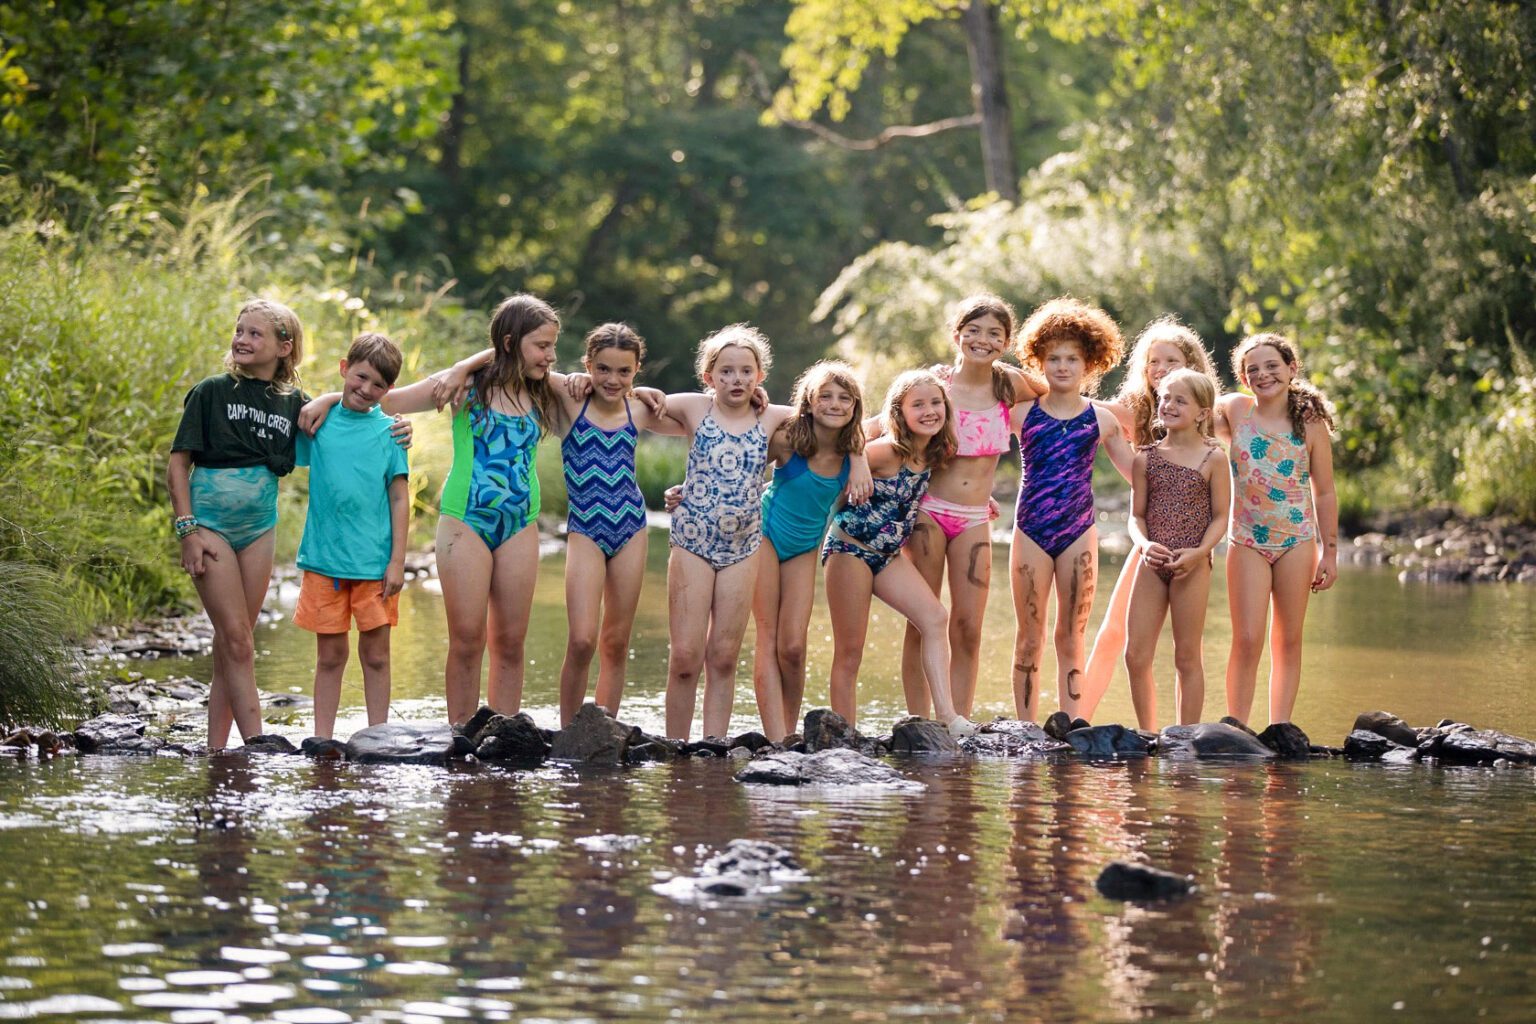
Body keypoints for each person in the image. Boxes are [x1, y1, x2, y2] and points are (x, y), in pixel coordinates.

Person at [302, 293, 567, 724]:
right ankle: (461, 734)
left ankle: (503, 733)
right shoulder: (464, 385)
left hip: (522, 522)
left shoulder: (547, 388)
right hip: (465, 520)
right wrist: (327, 399)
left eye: (553, 345)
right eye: (541, 345)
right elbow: (385, 400)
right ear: (509, 341)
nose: (551, 355)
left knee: (512, 641)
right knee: (466, 638)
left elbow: (602, 389)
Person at [896, 295, 1045, 720]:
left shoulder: (1009, 384)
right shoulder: (934, 383)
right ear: (957, 334)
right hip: (929, 512)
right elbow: (891, 423)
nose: (982, 340)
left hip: (976, 518)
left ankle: (957, 718)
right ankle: (918, 720)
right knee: (922, 621)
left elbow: (1059, 395)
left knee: (969, 628)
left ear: (1006, 342)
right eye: (974, 331)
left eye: (994, 334)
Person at [659, 325, 798, 741]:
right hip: (692, 540)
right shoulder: (693, 408)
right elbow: (635, 401)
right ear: (709, 377)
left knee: (723, 657)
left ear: (759, 377)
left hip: (743, 546)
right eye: (726, 372)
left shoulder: (772, 417)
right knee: (686, 655)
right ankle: (674, 747)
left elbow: (835, 420)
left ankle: (713, 747)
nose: (735, 380)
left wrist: (860, 461)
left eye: (745, 372)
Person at [823, 369, 977, 737]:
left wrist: (981, 501)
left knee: (935, 618)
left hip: (888, 557)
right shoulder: (885, 451)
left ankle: (947, 718)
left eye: (936, 403)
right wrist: (859, 462)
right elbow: (843, 450)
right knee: (850, 651)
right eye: (918, 405)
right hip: (850, 550)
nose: (929, 411)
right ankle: (846, 737)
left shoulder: (937, 452)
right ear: (899, 412)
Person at [1079, 316, 1219, 720]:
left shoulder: (1206, 420)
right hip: (1150, 536)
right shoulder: (1138, 411)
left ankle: (1184, 730)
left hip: (1194, 542)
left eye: (1171, 360)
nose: (1160, 369)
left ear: (1191, 365)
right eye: (1152, 361)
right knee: (1113, 635)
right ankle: (1078, 718)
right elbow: (1078, 401)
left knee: (1183, 650)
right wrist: (1004, 378)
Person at [1009, 298, 1134, 723]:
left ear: (1090, 364)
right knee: (1029, 636)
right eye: (1053, 359)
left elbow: (1139, 472)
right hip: (1029, 530)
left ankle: (1073, 722)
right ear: (1039, 362)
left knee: (1071, 635)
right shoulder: (1022, 414)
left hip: (1079, 531)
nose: (1062, 367)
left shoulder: (1102, 420)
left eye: (1072, 359)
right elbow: (971, 426)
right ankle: (1026, 727)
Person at [552, 323, 677, 725]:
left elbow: (710, 410)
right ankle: (569, 730)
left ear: (636, 370)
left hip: (631, 526)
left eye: (624, 372)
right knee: (582, 638)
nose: (612, 379)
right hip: (585, 527)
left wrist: (758, 396)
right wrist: (570, 378)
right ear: (588, 365)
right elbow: (519, 368)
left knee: (616, 641)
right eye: (602, 369)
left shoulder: (638, 408)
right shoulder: (571, 402)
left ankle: (603, 728)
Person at [1214, 333, 1338, 726]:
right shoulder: (1235, 411)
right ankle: (1237, 728)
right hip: (1247, 541)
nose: (1263, 375)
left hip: (1297, 542)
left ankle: (1280, 727)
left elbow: (1325, 491)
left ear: (1291, 369)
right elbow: (1186, 403)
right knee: (1247, 639)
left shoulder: (1309, 423)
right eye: (1253, 370)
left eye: (1272, 366)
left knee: (1287, 640)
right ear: (1243, 378)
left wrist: (1330, 551)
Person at [292, 332, 411, 739]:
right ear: (344, 369)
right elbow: (289, 410)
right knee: (330, 655)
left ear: (389, 390)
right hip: (325, 561)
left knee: (376, 655)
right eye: (360, 377)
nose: (366, 389)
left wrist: (397, 561)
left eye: (378, 384)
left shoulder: (391, 433)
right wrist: (325, 398)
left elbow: (399, 498)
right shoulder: (319, 422)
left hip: (375, 564)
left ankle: (379, 736)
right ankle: (322, 739)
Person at [751, 360, 866, 741]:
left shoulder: (854, 455)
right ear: (810, 403)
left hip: (804, 549)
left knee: (794, 646)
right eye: (825, 397)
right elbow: (741, 464)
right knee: (768, 635)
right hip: (764, 536)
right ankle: (775, 736)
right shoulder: (788, 440)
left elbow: (902, 429)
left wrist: (861, 458)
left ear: (854, 407)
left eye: (844, 398)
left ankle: (790, 728)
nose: (835, 404)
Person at [1123, 367, 1231, 729]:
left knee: (1187, 657)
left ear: (1202, 413)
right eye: (1165, 397)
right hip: (1151, 563)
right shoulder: (1145, 458)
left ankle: (1185, 735)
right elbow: (1135, 516)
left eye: (1179, 400)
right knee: (1135, 655)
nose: (1168, 404)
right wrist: (1144, 544)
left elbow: (1220, 517)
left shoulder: (1213, 459)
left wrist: (1200, 553)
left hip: (1193, 565)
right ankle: (1147, 732)